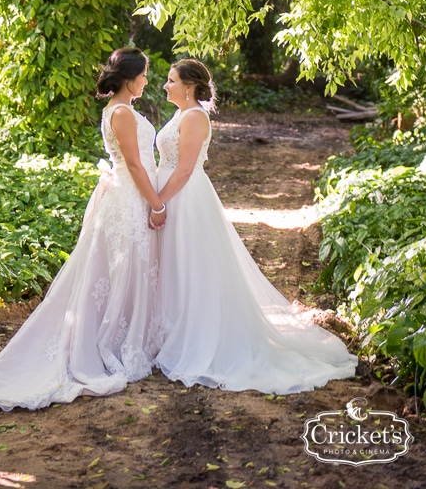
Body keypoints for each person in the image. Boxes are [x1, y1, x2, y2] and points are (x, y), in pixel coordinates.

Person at [0, 47, 164, 411]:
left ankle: (126, 337)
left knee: (118, 273)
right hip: (129, 199)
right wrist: (157, 204)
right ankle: (111, 344)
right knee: (119, 270)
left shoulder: (116, 109)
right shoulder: (123, 113)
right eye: (143, 74)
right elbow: (135, 164)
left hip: (125, 197)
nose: (146, 80)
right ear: (129, 78)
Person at [151, 58, 358, 394]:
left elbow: (186, 169)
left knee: (192, 267)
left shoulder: (194, 117)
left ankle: (199, 340)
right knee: (176, 267)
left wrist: (158, 200)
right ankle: (172, 333)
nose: (166, 85)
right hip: (172, 195)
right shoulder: (180, 114)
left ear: (188, 86)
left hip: (184, 198)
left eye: (171, 80)